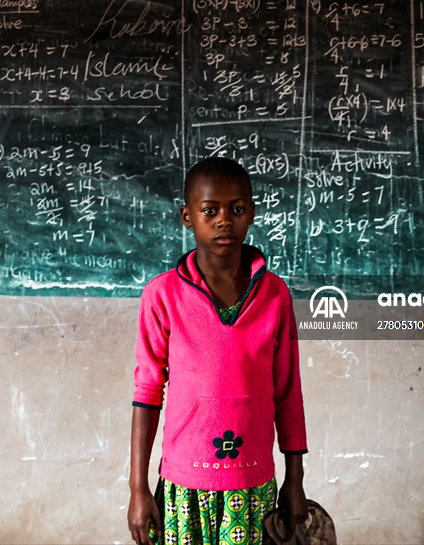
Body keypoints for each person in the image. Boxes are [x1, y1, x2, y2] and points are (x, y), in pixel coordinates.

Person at [128, 156, 308, 545]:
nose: (225, 220)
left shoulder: (274, 294)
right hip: (183, 484)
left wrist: (295, 479)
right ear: (187, 216)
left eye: (237, 209)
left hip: (252, 482)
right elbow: (147, 392)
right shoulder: (163, 295)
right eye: (210, 210)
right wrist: (137, 488)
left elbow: (288, 390)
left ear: (252, 214)